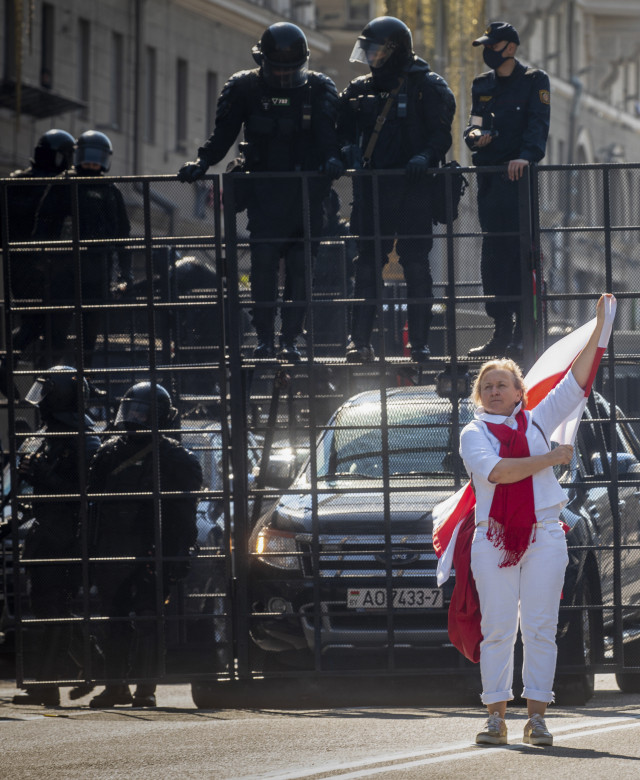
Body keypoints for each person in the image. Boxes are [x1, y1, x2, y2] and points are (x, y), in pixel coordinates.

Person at [459, 293, 613, 747]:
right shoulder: (474, 432)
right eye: (487, 386)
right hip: (494, 538)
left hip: (545, 534)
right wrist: (549, 457)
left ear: (519, 392)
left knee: (541, 627)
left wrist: (599, 328)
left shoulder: (538, 420)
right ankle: (494, 717)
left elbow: (577, 379)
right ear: (479, 396)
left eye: (502, 384)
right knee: (499, 629)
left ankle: (538, 718)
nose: (493, 391)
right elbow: (500, 474)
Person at [177, 22, 344, 362]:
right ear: (263, 62)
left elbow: (331, 141)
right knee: (263, 267)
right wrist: (202, 162)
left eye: (290, 71)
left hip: (304, 196)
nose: (283, 77)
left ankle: (291, 338)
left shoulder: (319, 89)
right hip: (266, 195)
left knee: (300, 269)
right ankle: (266, 337)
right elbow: (223, 134)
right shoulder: (244, 87)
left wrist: (332, 161)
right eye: (277, 70)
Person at [338, 16, 455, 363]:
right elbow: (339, 131)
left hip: (413, 190)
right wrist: (347, 151)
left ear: (395, 51)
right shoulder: (359, 89)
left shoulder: (428, 87)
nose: (371, 57)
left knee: (416, 266)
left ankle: (419, 343)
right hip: (372, 191)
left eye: (376, 51)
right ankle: (359, 342)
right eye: (368, 51)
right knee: (367, 267)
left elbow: (442, 135)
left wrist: (425, 155)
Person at [87, 383, 202, 708]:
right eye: (131, 409)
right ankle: (115, 686)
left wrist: (174, 554)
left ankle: (145, 688)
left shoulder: (176, 458)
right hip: (112, 548)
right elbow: (92, 505)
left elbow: (184, 514)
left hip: (152, 547)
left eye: (142, 412)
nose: (134, 418)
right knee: (114, 618)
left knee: (149, 618)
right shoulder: (108, 452)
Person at [11, 367, 101, 706]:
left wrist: (44, 477)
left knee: (52, 608)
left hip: (66, 534)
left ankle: (48, 682)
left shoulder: (83, 438)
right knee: (48, 607)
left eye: (45, 392)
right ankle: (97, 666)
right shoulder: (51, 433)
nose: (40, 400)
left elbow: (86, 494)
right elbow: (36, 490)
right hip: (46, 530)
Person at [463, 21, 550, 360]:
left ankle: (521, 331)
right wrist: (474, 139)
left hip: (519, 183)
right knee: (493, 257)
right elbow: (474, 124)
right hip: (490, 180)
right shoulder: (482, 84)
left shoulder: (534, 81)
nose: (488, 52)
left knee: (519, 255)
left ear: (510, 48)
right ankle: (500, 329)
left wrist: (525, 157)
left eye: (494, 46)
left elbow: (538, 125)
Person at [32, 131, 132, 367]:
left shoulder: (110, 191)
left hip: (97, 272)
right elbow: (44, 224)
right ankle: (46, 385)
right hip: (62, 271)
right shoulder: (64, 185)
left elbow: (122, 236)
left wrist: (125, 273)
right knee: (56, 333)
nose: (92, 162)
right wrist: (41, 260)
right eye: (88, 156)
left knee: (89, 337)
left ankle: (83, 384)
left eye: (97, 157)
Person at [0, 130, 76, 384]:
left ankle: (10, 364)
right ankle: (43, 384)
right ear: (60, 156)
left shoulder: (16, 182)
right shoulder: (58, 184)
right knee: (55, 325)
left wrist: (13, 252)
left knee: (34, 318)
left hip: (19, 263)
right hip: (50, 264)